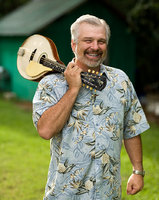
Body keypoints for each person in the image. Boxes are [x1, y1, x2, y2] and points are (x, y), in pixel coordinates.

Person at [32, 14, 150, 200]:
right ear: (74, 44)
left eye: (101, 41)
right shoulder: (51, 84)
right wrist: (73, 89)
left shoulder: (121, 80)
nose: (95, 47)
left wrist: (138, 170)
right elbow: (45, 130)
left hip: (108, 193)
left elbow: (132, 128)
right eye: (88, 40)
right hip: (65, 194)